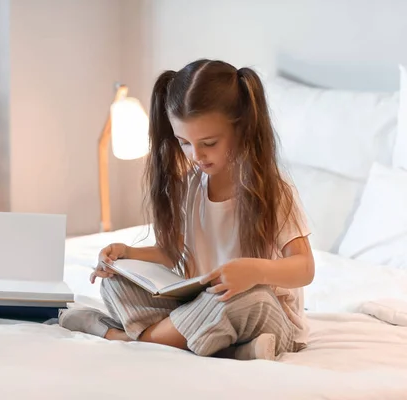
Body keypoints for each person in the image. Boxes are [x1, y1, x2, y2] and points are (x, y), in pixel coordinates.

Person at [59, 59, 314, 360]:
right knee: (116, 285)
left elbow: (304, 268)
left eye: (208, 142)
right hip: (200, 304)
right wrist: (125, 254)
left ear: (242, 129)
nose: (196, 155)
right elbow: (172, 253)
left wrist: (255, 271)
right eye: (185, 143)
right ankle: (234, 351)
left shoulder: (272, 189)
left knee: (243, 299)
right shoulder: (190, 186)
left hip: (264, 314)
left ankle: (120, 335)